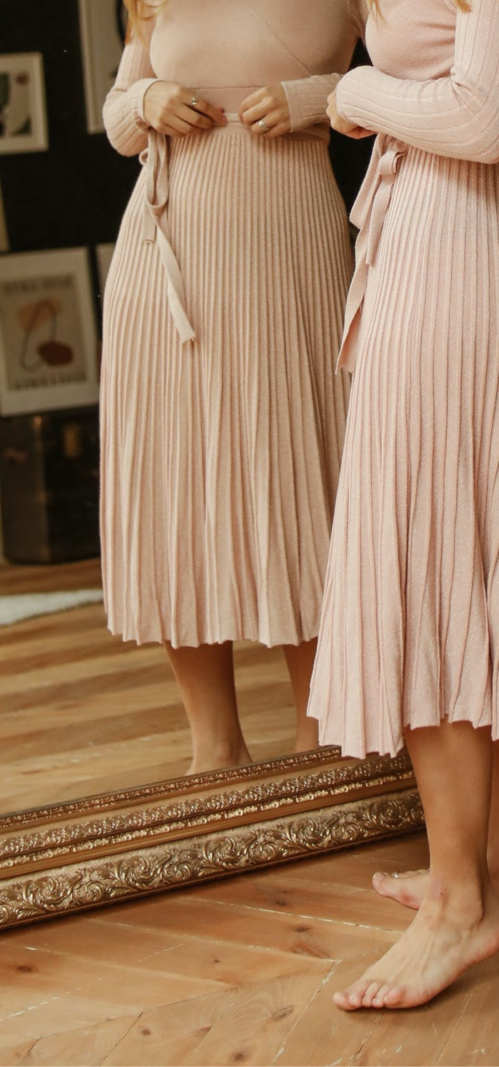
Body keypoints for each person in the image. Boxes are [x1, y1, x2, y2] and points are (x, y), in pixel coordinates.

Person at [101, 0, 366, 774]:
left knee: (301, 487)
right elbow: (119, 114)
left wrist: (318, 99)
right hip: (165, 257)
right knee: (174, 494)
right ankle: (212, 748)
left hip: (288, 250)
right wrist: (148, 100)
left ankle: (323, 737)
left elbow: (423, 70)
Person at [307, 0, 499, 1011]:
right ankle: (471, 868)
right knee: (451, 560)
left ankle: (462, 900)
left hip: (463, 245)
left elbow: (484, 115)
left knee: (438, 558)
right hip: (427, 229)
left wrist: (355, 92)